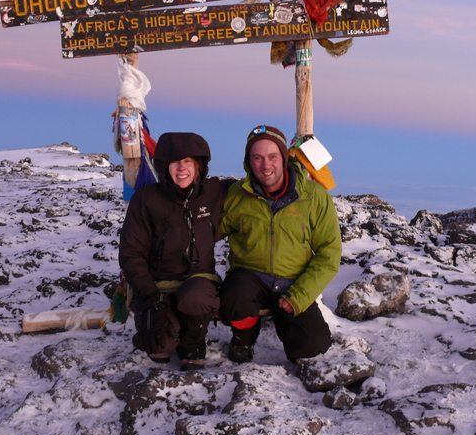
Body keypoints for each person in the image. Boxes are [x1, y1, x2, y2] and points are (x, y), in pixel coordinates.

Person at [218, 125, 342, 363]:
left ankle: (287, 326)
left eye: (272, 156)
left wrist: (300, 296)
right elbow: (210, 232)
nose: (266, 165)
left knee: (313, 347)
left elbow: (329, 253)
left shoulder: (314, 196)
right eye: (257, 158)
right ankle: (244, 337)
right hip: (250, 277)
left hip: (294, 280)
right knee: (233, 299)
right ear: (248, 162)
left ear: (283, 158)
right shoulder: (236, 194)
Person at [119, 132, 227, 371]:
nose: (181, 168)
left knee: (195, 297)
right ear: (163, 166)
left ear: (199, 166)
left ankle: (193, 345)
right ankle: (168, 329)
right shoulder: (146, 199)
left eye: (188, 161)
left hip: (199, 280)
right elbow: (131, 253)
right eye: (174, 162)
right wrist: (148, 297)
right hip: (156, 285)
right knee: (159, 346)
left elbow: (255, 187)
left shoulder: (214, 191)